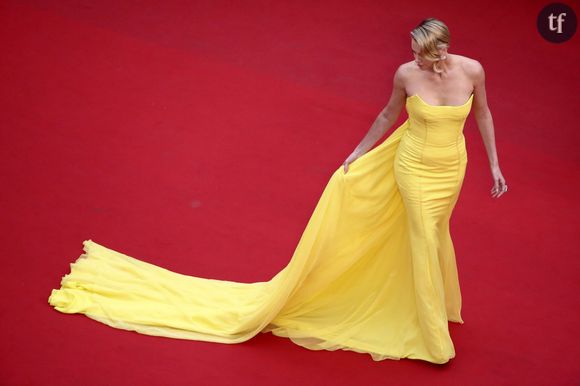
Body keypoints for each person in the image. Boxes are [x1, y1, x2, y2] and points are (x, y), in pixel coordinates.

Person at [48, 18, 506, 365]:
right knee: (423, 234)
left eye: (420, 52)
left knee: (436, 231)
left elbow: (482, 115)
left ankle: (434, 305)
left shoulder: (473, 71)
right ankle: (432, 337)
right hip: (412, 168)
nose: (413, 57)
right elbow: (388, 117)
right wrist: (357, 153)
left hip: (452, 169)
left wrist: (494, 165)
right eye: (412, 51)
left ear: (439, 49)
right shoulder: (406, 75)